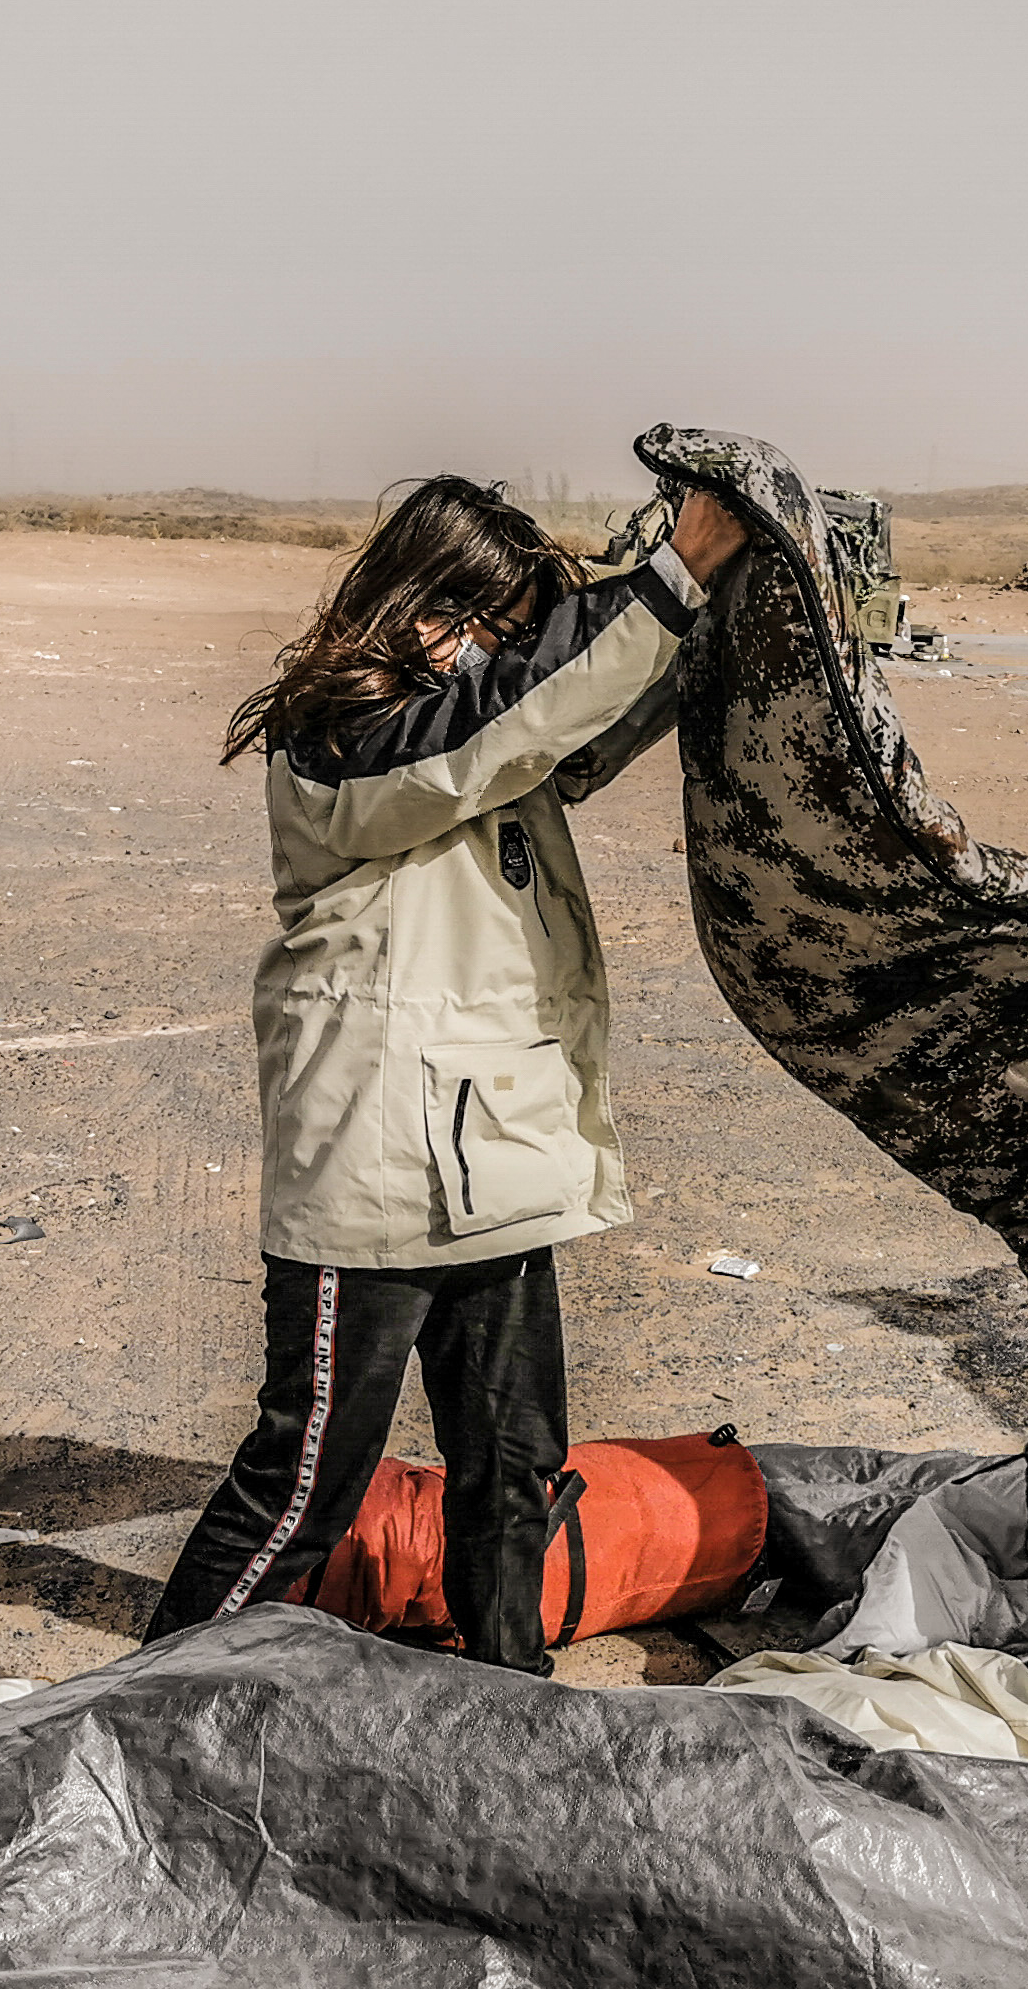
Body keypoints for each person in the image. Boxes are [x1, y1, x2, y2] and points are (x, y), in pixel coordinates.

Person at [141, 475, 749, 1666]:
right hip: (373, 1169)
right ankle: (136, 1712)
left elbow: (568, 720)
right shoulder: (345, 733)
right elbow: (502, 724)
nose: (500, 657)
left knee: (516, 1467)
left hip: (489, 1153)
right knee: (305, 1484)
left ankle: (509, 1694)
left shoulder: (481, 727)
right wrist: (669, 578)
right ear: (426, 607)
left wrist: (700, 608)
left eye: (517, 638)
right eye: (490, 629)